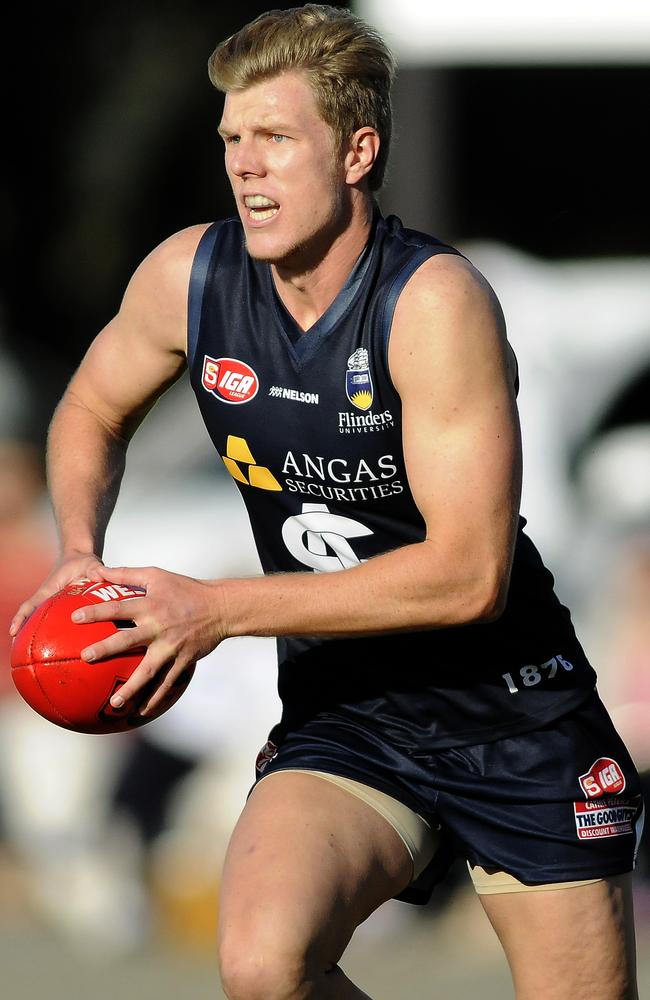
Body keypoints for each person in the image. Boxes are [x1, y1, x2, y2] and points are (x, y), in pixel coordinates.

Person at [11, 5, 643, 997]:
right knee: (263, 966)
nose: (244, 166)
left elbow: (467, 575)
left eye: (273, 138)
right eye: (230, 140)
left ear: (357, 150)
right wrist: (79, 549)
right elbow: (88, 406)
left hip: (512, 717)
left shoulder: (431, 304)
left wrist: (213, 607)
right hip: (347, 715)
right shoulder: (190, 276)